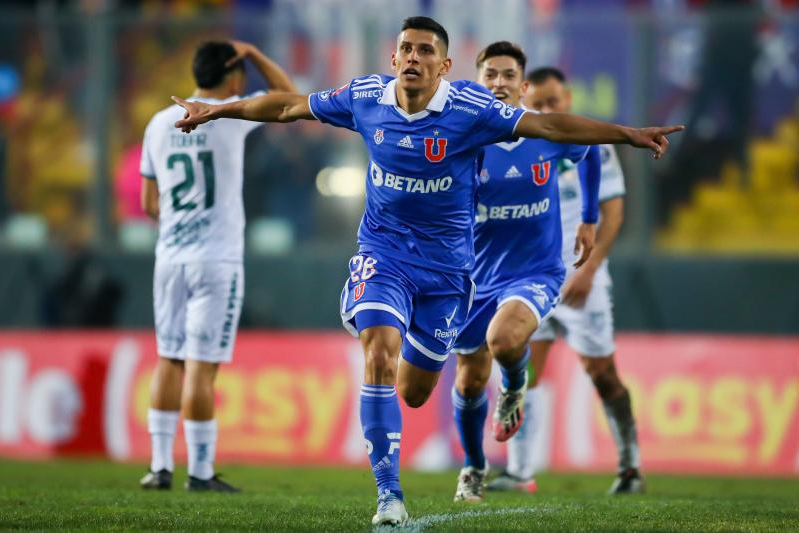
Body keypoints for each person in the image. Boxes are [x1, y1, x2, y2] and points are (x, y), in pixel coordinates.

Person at [171, 16, 681, 525]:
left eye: (425, 51)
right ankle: (388, 496)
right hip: (384, 255)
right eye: (406, 49)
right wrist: (216, 111)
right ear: (393, 59)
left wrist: (628, 134)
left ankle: (496, 408)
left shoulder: (471, 109)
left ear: (444, 65)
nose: (413, 58)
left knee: (414, 392)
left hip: (448, 272)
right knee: (378, 353)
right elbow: (285, 105)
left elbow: (549, 125)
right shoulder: (366, 97)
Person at [138, 40, 296, 492]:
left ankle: (159, 466)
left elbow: (151, 203)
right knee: (202, 367)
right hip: (216, 259)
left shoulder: (157, 123)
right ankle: (201, 473)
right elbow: (290, 100)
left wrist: (178, 228)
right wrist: (258, 56)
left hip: (169, 257)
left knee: (169, 360)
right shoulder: (230, 113)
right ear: (233, 75)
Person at [449, 41, 602, 503]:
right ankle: (474, 465)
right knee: (469, 379)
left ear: (523, 85)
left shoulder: (544, 134)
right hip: (474, 277)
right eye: (490, 75)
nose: (499, 82)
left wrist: (589, 217)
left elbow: (590, 151)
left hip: (534, 271)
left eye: (508, 75)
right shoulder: (463, 139)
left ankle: (514, 386)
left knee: (504, 340)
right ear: (479, 84)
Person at [488, 66, 643, 495]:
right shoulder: (514, 138)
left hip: (579, 277)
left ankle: (630, 465)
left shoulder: (590, 142)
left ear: (568, 99)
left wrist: (588, 271)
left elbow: (613, 212)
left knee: (601, 371)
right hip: (529, 275)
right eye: (537, 103)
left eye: (553, 102)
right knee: (522, 368)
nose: (545, 109)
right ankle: (520, 471)